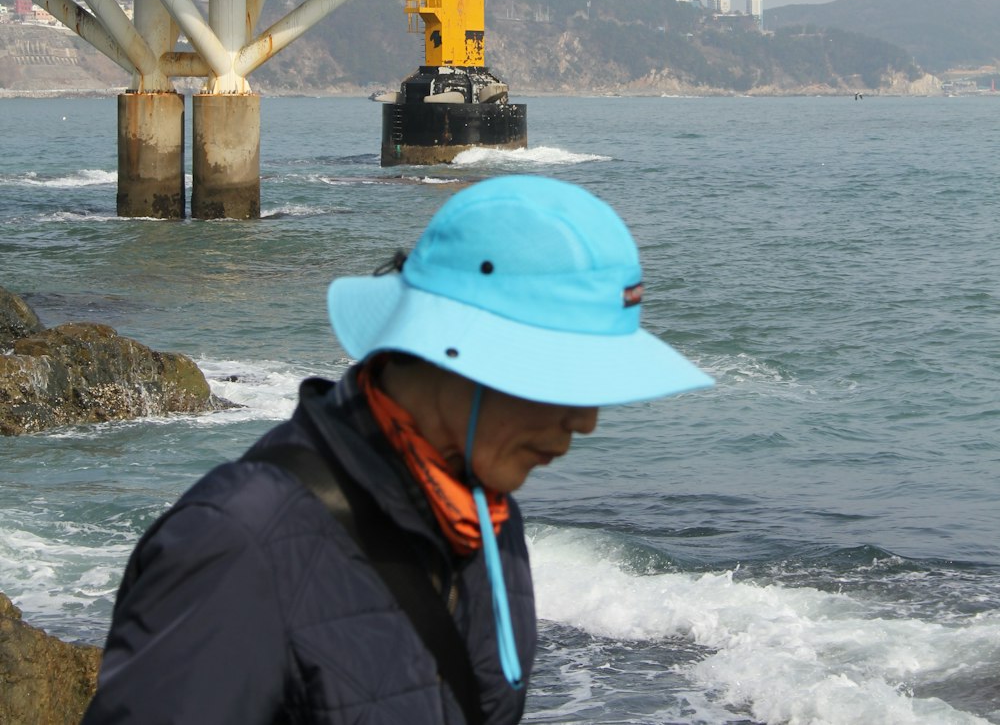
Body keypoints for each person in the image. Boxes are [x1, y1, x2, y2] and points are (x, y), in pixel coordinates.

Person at [82, 176, 713, 725]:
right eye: (559, 378)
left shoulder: (485, 518)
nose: (586, 421)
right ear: (452, 349)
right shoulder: (241, 543)